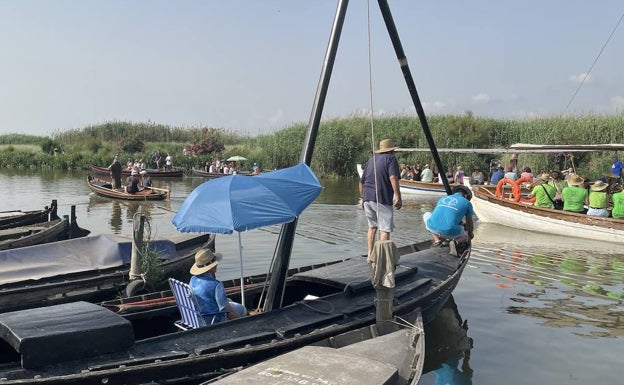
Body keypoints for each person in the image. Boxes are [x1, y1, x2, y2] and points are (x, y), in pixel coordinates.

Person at [359, 138, 402, 257]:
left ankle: (370, 255)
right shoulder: (391, 159)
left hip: (367, 197)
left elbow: (361, 182)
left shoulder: (371, 160)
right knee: (385, 229)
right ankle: (382, 258)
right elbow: (393, 177)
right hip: (381, 197)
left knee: (372, 227)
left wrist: (363, 198)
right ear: (392, 150)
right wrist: (397, 195)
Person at [189, 249, 247, 324]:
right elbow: (225, 309)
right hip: (212, 319)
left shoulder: (193, 279)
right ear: (212, 267)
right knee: (242, 309)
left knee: (229, 301)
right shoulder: (216, 285)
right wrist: (241, 322)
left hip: (198, 317)